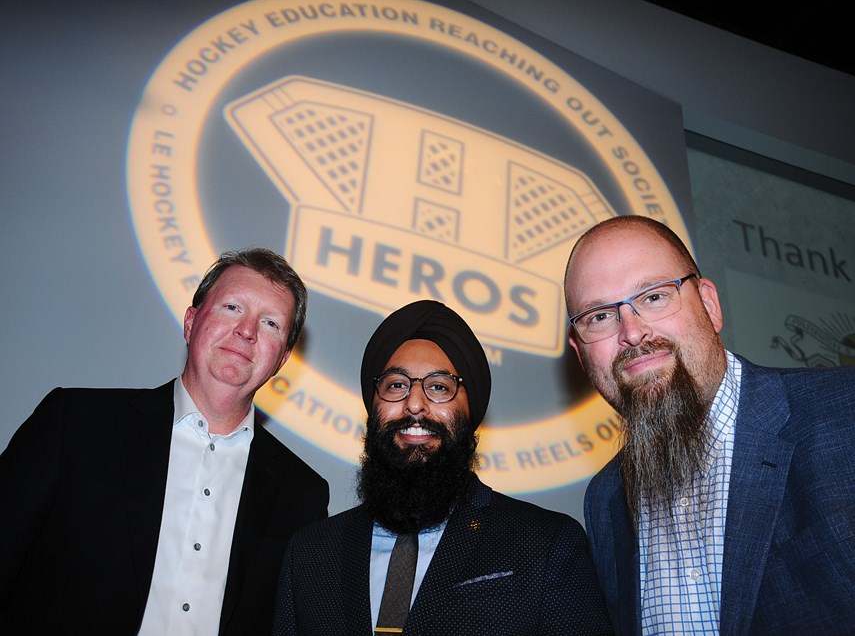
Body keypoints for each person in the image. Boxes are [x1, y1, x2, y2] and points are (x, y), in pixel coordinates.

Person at [0, 247, 329, 635]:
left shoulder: (302, 495)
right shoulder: (73, 423)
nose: (247, 331)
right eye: (232, 308)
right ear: (191, 322)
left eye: (271, 323)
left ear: (282, 359)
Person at [563, 215, 855, 635]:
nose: (632, 331)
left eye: (654, 297)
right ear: (580, 351)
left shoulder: (842, 416)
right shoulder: (606, 499)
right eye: (599, 317)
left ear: (710, 305)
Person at [273, 299, 612, 635]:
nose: (415, 404)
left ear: (470, 411)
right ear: (372, 405)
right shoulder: (310, 554)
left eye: (439, 387)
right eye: (395, 385)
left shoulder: (546, 544)